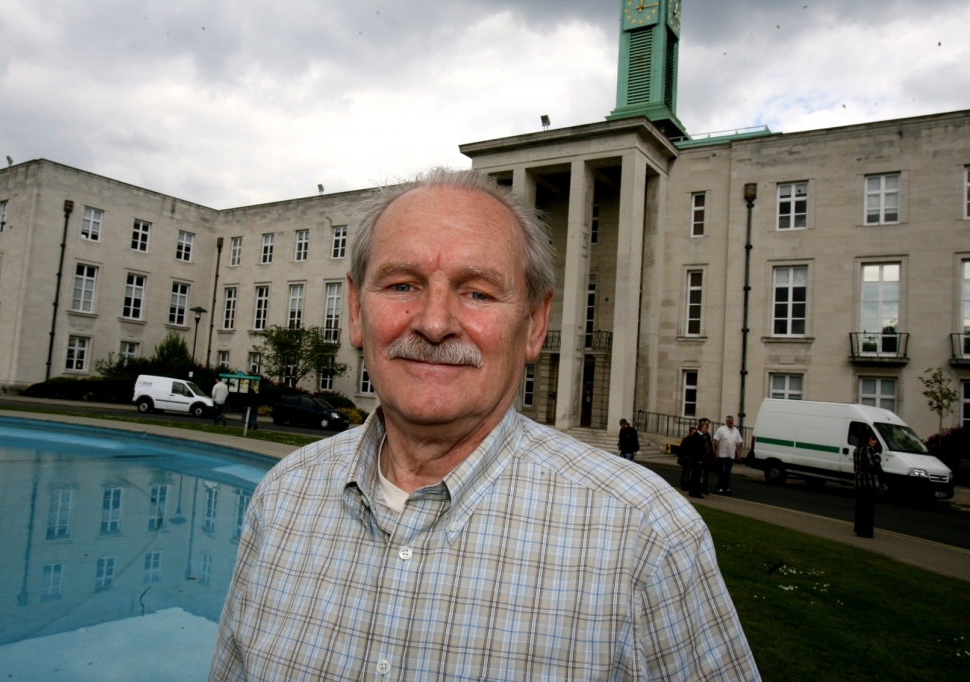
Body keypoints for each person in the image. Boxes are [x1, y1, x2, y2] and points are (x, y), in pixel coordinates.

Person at [209, 169, 759, 681]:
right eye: (402, 285)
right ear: (355, 310)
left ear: (534, 326)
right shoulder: (282, 497)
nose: (433, 323)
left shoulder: (646, 537)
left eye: (477, 292)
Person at [853, 433, 882, 538]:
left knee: (860, 506)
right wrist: (878, 457)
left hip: (859, 482)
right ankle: (867, 531)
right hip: (869, 483)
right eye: (872, 439)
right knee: (869, 509)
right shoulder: (868, 450)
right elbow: (872, 464)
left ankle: (858, 528)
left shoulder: (856, 450)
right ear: (867, 439)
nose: (875, 442)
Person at [713, 415, 743, 495]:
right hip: (722, 455)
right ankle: (720, 488)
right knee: (722, 472)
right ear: (726, 421)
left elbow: (738, 443)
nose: (730, 422)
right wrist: (716, 452)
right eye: (729, 420)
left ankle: (726, 488)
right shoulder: (721, 430)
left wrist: (739, 453)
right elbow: (716, 441)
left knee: (728, 473)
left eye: (732, 421)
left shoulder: (736, 431)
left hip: (731, 455)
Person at [681, 423, 707, 499]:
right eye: (704, 428)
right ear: (701, 428)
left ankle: (695, 491)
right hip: (696, 460)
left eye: (706, 428)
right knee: (695, 476)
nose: (705, 430)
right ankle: (694, 492)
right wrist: (699, 459)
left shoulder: (700, 436)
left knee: (697, 476)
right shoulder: (698, 437)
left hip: (697, 459)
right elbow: (696, 449)